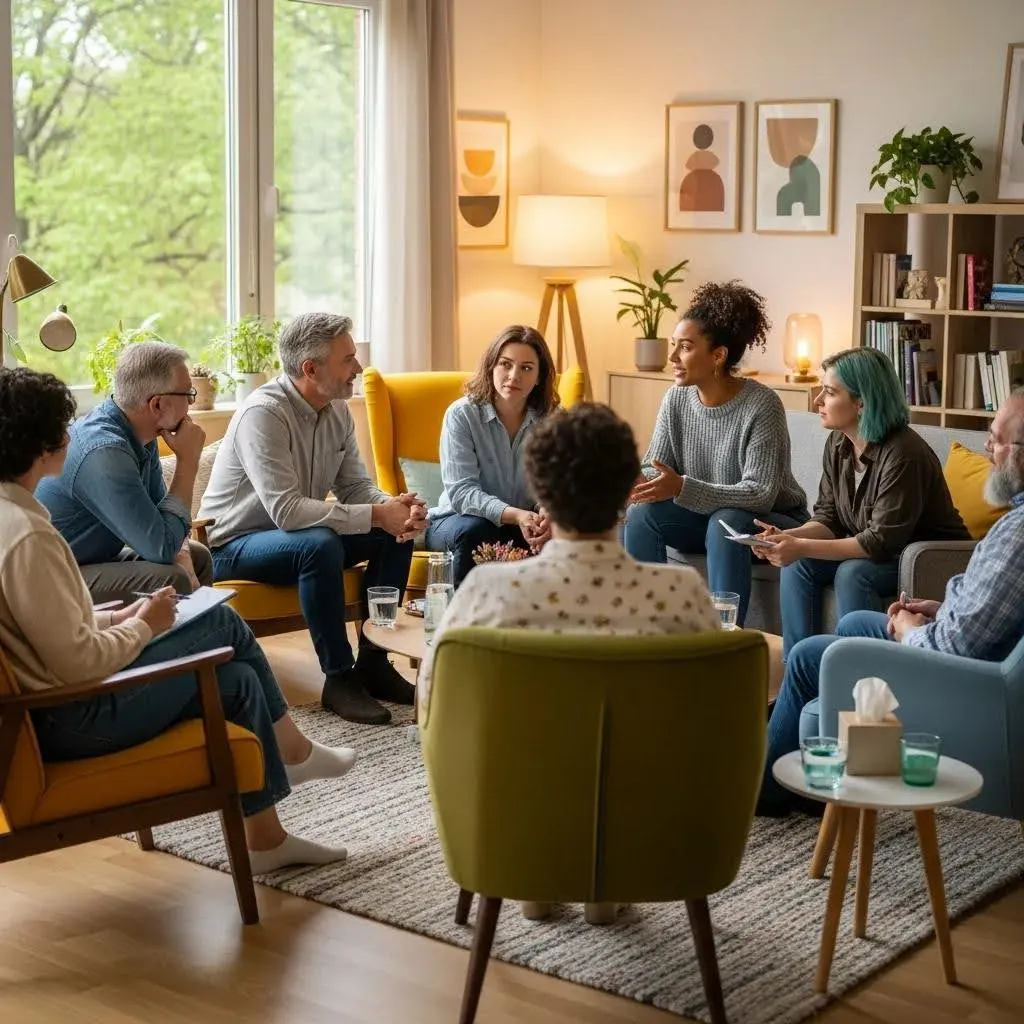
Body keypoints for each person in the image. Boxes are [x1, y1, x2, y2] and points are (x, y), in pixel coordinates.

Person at [0, 367, 358, 873]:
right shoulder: (29, 537)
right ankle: (292, 755)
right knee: (221, 626)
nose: (69, 434)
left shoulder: (12, 516)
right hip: (71, 719)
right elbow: (78, 663)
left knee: (233, 680)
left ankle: (267, 838)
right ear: (37, 443)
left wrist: (119, 615)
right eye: (61, 426)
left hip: (56, 706)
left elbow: (51, 630)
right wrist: (145, 625)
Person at [419, 403, 721, 924]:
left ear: (538, 487)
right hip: (650, 811)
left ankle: (535, 868)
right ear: (628, 489)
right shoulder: (681, 593)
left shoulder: (489, 590)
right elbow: (714, 721)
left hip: (520, 796)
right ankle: (609, 878)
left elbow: (433, 702)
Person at [758, 388, 1024, 814]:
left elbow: (954, 648)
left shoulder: (1016, 534)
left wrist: (910, 629)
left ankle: (769, 791)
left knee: (811, 656)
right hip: (963, 649)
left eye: (994, 440)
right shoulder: (838, 446)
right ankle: (815, 735)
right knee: (851, 625)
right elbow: (994, 614)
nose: (988, 449)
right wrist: (940, 609)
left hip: (958, 676)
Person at [199, 312, 426, 727]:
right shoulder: (263, 414)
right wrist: (377, 513)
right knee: (318, 542)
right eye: (348, 359)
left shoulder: (336, 410)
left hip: (294, 539)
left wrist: (394, 508)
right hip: (232, 546)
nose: (358, 367)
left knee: (393, 535)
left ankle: (373, 664)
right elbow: (286, 511)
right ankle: (337, 679)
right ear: (310, 369)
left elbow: (357, 487)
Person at [753, 347, 969, 656]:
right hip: (880, 552)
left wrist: (799, 545)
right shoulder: (838, 443)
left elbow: (878, 541)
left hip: (926, 558)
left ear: (861, 403)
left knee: (854, 572)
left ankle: (856, 675)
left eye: (829, 392)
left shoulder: (904, 453)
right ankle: (800, 667)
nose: (817, 400)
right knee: (799, 564)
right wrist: (788, 538)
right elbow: (829, 518)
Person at [622, 281, 809, 627]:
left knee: (729, 519)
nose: (673, 357)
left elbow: (760, 494)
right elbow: (656, 471)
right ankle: (651, 631)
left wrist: (681, 488)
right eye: (674, 346)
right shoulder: (675, 399)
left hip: (768, 524)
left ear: (718, 356)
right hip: (705, 519)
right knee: (641, 515)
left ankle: (723, 638)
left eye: (686, 347)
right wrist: (632, 479)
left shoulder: (762, 405)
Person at [35, 342, 213, 606]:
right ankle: (178, 643)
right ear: (157, 405)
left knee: (197, 557)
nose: (190, 403)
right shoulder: (105, 451)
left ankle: (195, 640)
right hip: (49, 581)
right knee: (170, 578)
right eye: (188, 394)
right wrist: (188, 461)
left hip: (90, 562)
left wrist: (183, 554)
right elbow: (160, 547)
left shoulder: (143, 436)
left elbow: (166, 519)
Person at [425, 325, 559, 586]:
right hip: (455, 523)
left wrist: (546, 514)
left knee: (565, 533)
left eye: (527, 368)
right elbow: (463, 494)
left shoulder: (553, 419)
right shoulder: (462, 415)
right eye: (505, 364)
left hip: (525, 523)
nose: (513, 376)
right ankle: (465, 623)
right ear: (491, 367)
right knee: (478, 530)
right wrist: (517, 515)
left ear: (540, 376)